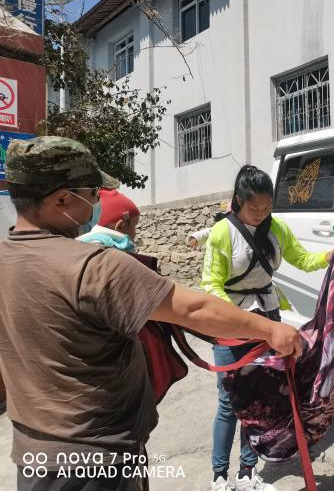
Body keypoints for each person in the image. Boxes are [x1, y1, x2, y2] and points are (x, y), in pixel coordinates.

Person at [0, 137, 302, 491]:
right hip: (98, 461)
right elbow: (194, 308)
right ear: (62, 199)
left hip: (33, 458)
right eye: (92, 193)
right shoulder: (93, 266)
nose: (96, 203)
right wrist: (270, 330)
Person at [201, 165, 334, 491]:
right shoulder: (222, 233)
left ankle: (247, 471)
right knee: (229, 402)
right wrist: (238, 321)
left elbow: (302, 260)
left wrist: (331, 256)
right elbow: (211, 284)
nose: (261, 214)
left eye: (267, 208)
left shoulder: (276, 228)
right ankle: (219, 475)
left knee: (259, 400)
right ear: (239, 200)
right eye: (254, 208)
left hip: (268, 321)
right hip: (231, 325)